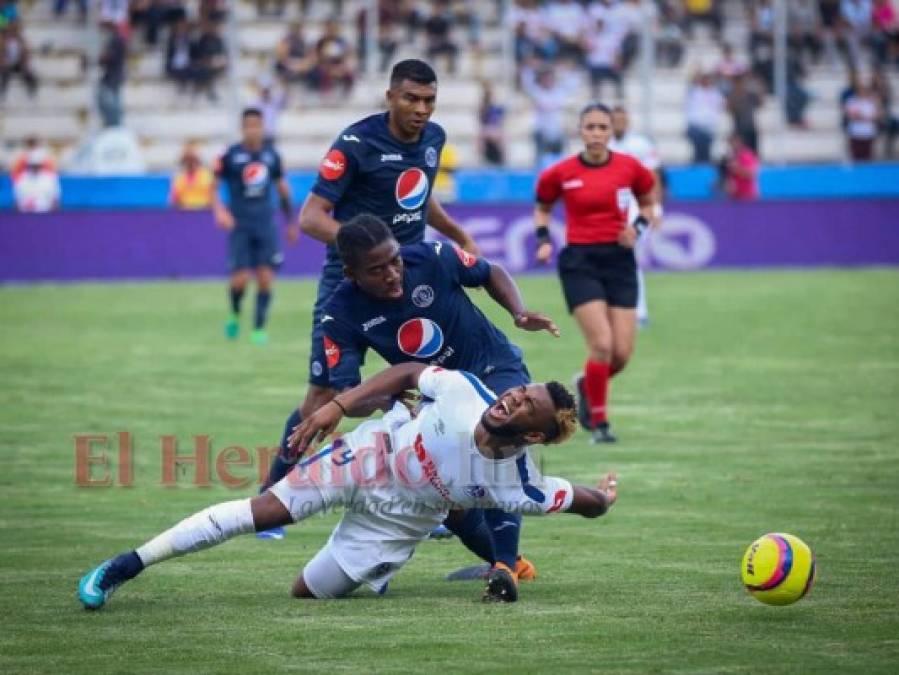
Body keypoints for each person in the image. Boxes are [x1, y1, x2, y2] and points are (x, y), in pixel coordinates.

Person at [77, 362, 619, 608]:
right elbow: (408, 373)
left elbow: (580, 502)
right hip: (366, 457)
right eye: (521, 389)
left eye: (527, 405)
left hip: (395, 524)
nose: (514, 397)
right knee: (266, 511)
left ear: (533, 433)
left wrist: (605, 499)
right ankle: (126, 564)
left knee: (306, 593)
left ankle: (399, 557)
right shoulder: (463, 390)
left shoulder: (518, 486)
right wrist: (340, 405)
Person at [258, 59, 477, 541]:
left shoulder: (435, 139)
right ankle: (271, 493)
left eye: (428, 101)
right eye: (411, 99)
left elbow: (419, 197)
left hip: (407, 282)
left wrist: (457, 232)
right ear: (390, 97)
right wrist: (369, 250)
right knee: (323, 395)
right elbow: (313, 217)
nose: (421, 110)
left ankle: (431, 506)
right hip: (351, 281)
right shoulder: (355, 144)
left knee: (424, 390)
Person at [302, 214, 560, 585]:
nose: (393, 273)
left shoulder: (431, 256)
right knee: (445, 497)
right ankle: (512, 564)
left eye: (395, 261)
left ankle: (503, 567)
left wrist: (518, 313)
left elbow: (489, 272)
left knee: (495, 444)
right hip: (435, 396)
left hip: (492, 367)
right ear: (351, 273)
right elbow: (348, 392)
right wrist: (384, 399)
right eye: (377, 269)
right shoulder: (340, 314)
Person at [534, 103, 658, 443]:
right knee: (602, 346)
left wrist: (638, 227)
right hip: (580, 263)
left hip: (619, 261)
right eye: (590, 127)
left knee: (621, 355)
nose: (597, 133)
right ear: (580, 131)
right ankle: (600, 426)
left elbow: (648, 203)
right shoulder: (560, 172)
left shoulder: (631, 168)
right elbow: (543, 208)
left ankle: (585, 385)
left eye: (603, 127)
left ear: (611, 132)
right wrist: (544, 240)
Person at [212, 108, 299, 345]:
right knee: (239, 280)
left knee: (264, 278)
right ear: (242, 128)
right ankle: (235, 313)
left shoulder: (271, 156)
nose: (253, 130)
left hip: (265, 224)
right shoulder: (230, 155)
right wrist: (220, 210)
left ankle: (259, 329)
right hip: (240, 224)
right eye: (248, 125)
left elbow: (282, 189)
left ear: (262, 127)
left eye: (256, 125)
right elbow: (214, 185)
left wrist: (291, 222)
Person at [608, 105, 664, 329]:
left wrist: (656, 207)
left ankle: (638, 312)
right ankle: (624, 311)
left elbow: (653, 177)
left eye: (623, 119)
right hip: (611, 207)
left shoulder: (640, 144)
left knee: (629, 256)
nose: (620, 123)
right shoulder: (604, 146)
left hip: (636, 205)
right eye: (616, 119)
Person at [13, 148, 61, 213]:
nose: (35, 168)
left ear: (41, 165)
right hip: (25, 214)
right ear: (29, 165)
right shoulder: (22, 178)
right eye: (33, 165)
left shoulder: (50, 178)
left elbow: (55, 200)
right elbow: (17, 200)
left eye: (37, 165)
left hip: (44, 213)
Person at [97, 21, 126, 127]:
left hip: (113, 77)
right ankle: (113, 124)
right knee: (109, 100)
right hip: (112, 76)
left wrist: (98, 57)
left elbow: (111, 57)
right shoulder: (114, 40)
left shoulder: (117, 40)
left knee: (110, 102)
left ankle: (114, 125)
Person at [169, 142, 214, 210]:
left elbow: (213, 198)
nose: (190, 162)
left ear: (197, 160)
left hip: (204, 213)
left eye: (192, 159)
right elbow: (173, 200)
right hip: (184, 213)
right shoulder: (179, 178)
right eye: (187, 160)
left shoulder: (207, 175)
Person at [720, 132, 760, 201]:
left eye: (733, 142)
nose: (732, 145)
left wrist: (737, 168)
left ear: (739, 142)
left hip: (748, 197)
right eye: (730, 143)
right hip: (734, 197)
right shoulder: (731, 156)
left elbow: (751, 174)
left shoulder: (747, 155)